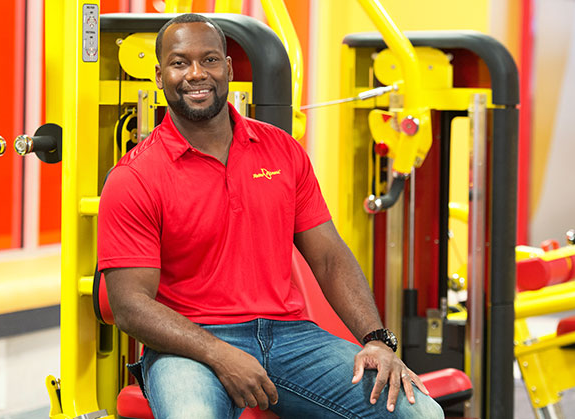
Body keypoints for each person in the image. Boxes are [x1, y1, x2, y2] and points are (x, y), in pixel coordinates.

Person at [97, 13, 444, 419]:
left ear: (227, 68)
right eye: (179, 63)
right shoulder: (134, 177)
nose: (195, 74)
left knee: (420, 414)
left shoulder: (282, 150)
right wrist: (220, 353)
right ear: (159, 75)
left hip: (291, 337)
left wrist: (376, 340)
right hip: (189, 345)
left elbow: (329, 256)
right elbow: (129, 306)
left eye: (209, 60)